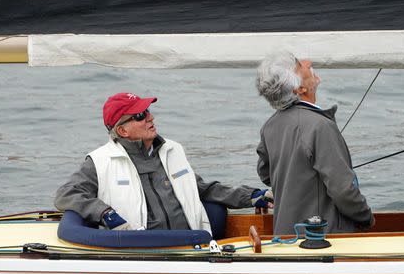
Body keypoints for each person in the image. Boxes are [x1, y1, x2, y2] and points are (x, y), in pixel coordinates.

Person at [55, 92, 272, 234]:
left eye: (148, 111)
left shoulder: (172, 150)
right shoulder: (100, 161)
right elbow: (66, 194)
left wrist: (252, 196)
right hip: (142, 252)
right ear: (122, 130)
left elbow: (200, 189)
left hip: (192, 246)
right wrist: (104, 213)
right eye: (140, 115)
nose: (150, 117)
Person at [255, 51, 373, 235]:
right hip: (322, 239)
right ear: (299, 89)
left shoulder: (269, 126)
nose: (307, 62)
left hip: (286, 235)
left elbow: (265, 173)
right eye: (299, 65)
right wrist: (366, 217)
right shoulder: (320, 126)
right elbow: (343, 191)